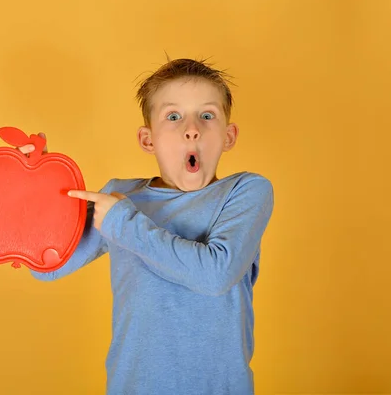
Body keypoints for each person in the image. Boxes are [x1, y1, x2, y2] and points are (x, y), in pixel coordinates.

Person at [18, 58, 274, 395]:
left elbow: (215, 275)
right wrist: (37, 187)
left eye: (207, 115)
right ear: (147, 139)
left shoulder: (246, 192)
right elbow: (48, 267)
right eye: (173, 116)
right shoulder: (121, 197)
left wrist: (125, 223)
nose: (192, 128)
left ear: (229, 136)